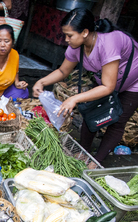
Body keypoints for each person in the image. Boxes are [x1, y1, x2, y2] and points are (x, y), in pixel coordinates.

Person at [33, 8, 138, 166]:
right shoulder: (76, 47)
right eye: (65, 35)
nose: (66, 39)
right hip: (105, 80)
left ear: (85, 32)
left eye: (69, 35)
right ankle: (83, 151)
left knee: (117, 122)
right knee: (91, 113)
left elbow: (108, 87)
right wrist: (42, 81)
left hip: (132, 83)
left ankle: (96, 161)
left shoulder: (108, 42)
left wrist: (74, 98)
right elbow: (63, 70)